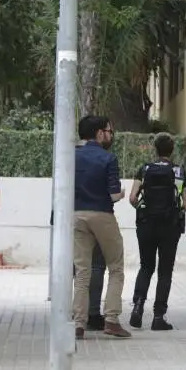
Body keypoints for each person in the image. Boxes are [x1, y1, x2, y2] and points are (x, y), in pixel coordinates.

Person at [72, 115, 131, 339]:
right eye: (108, 130)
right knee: (116, 266)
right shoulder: (108, 158)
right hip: (102, 214)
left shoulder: (71, 157)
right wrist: (123, 193)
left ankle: (78, 323)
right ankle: (112, 319)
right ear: (99, 133)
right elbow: (114, 195)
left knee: (82, 271)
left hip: (76, 215)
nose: (110, 134)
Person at [127, 132, 186, 330]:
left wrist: (144, 210)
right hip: (170, 226)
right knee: (165, 271)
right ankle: (158, 317)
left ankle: (137, 307)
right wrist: (175, 210)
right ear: (172, 150)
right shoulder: (179, 172)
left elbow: (132, 198)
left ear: (155, 149)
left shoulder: (145, 169)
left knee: (146, 266)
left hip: (146, 225)